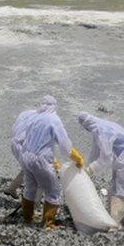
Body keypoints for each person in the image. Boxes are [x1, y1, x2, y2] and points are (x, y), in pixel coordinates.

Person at [18, 95, 85, 228]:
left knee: (30, 188)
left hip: (25, 157)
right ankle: (48, 224)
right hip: (40, 160)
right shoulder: (54, 119)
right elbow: (65, 145)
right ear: (54, 107)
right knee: (53, 191)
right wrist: (77, 158)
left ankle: (27, 218)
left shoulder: (33, 117)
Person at [77, 112, 124, 223]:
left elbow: (106, 157)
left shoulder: (102, 131)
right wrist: (85, 169)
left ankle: (115, 223)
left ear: (86, 125)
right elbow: (95, 152)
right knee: (114, 186)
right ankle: (110, 217)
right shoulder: (99, 127)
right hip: (121, 156)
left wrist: (90, 170)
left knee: (120, 191)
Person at [1, 96, 56, 197]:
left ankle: (11, 189)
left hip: (16, 144)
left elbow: (16, 127)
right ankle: (33, 206)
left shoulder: (29, 113)